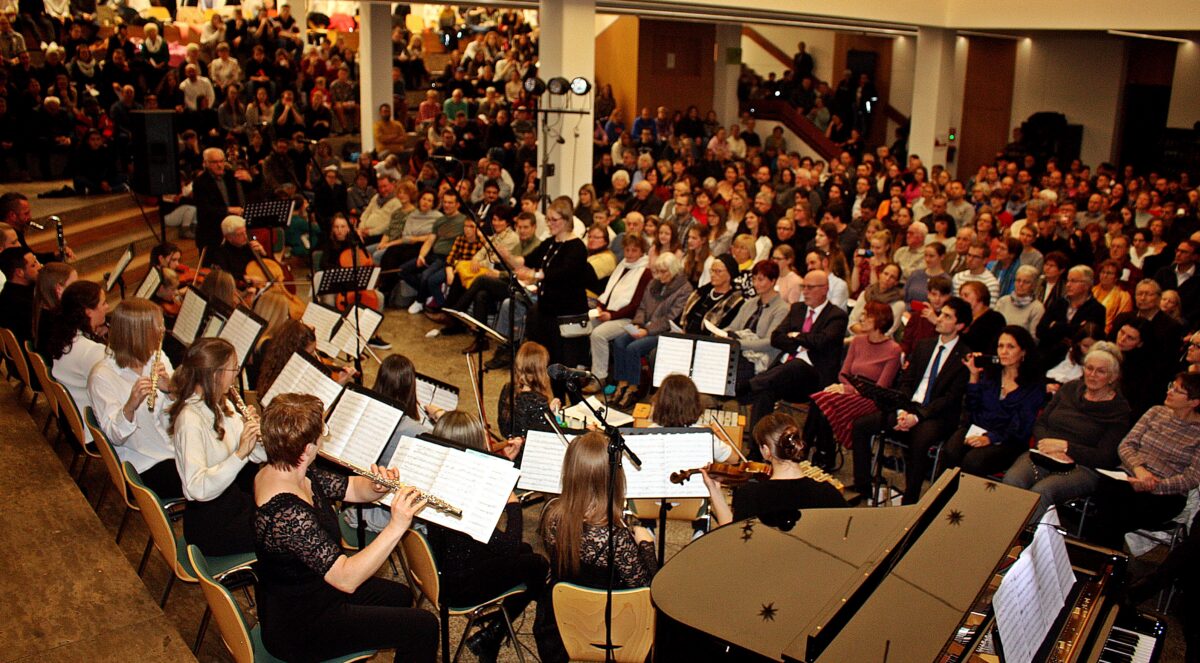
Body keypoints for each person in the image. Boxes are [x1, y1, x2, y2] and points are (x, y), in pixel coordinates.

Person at [252, 393, 438, 662]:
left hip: (313, 590)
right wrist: (396, 526)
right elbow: (346, 578)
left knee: (400, 594)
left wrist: (376, 486)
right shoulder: (286, 511)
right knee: (424, 626)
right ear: (306, 450)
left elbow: (350, 487)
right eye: (321, 434)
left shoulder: (289, 469)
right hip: (301, 627)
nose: (323, 438)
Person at [421, 411, 552, 661]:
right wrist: (513, 504)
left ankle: (497, 624)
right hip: (460, 586)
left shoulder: (442, 479)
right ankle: (492, 635)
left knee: (526, 552)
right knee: (538, 565)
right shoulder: (462, 501)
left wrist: (505, 460)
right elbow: (509, 544)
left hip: (447, 565)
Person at [538, 431, 657, 662]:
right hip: (612, 634)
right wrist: (646, 546)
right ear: (612, 476)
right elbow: (648, 591)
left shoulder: (550, 514)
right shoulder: (617, 539)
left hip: (560, 625)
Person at [850, 297, 973, 505]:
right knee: (861, 426)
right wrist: (901, 409)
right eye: (941, 313)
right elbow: (906, 381)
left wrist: (917, 417)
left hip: (936, 415)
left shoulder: (965, 356)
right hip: (908, 406)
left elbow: (950, 399)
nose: (940, 318)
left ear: (959, 325)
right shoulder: (925, 346)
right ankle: (862, 486)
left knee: (919, 440)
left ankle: (910, 500)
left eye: (947, 316)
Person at [1002, 343, 1132, 520]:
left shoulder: (1119, 410)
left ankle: (1021, 540)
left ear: (1112, 377)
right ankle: (1001, 531)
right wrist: (1048, 445)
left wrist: (1067, 448)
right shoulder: (1070, 388)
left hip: (1083, 467)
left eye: (1100, 371)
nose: (1092, 375)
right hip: (1044, 453)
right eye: (1089, 368)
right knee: (1013, 479)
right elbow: (1041, 423)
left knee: (1042, 491)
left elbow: (1106, 456)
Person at [169, 338, 265, 555]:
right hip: (210, 524)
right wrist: (239, 454)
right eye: (234, 368)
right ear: (216, 374)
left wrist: (257, 435)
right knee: (283, 535)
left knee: (286, 514)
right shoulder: (190, 420)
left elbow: (256, 456)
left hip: (230, 502)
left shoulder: (223, 405)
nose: (236, 374)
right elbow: (197, 487)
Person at [1087, 371, 1200, 547]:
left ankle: (1098, 560)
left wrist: (1155, 484)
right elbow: (1126, 445)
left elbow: (1192, 477)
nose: (1169, 391)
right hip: (1130, 474)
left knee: (1117, 514)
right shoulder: (1156, 412)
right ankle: (1106, 562)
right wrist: (1139, 470)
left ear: (1193, 402)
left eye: (1177, 391)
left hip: (1167, 492)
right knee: (1108, 494)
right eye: (1172, 386)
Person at [87, 299, 182, 500]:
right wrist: (130, 406)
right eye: (158, 325)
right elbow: (114, 435)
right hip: (144, 464)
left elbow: (176, 416)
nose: (163, 330)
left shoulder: (157, 357)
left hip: (171, 447)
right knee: (217, 484)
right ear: (139, 333)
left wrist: (171, 391)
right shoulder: (102, 376)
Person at [743, 269, 848, 431]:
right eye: (803, 287)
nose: (805, 292)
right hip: (784, 374)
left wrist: (796, 335)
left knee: (797, 364)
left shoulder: (836, 316)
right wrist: (801, 343)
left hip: (813, 378)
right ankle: (757, 450)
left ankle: (749, 386)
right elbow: (776, 337)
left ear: (825, 289)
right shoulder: (797, 309)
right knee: (765, 391)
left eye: (810, 287)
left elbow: (821, 341)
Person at [703, 412, 846, 528]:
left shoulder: (750, 495)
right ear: (798, 444)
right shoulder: (828, 493)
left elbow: (732, 536)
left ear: (765, 451)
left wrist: (714, 492)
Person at [808, 301, 902, 467]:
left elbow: (880, 387)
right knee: (818, 401)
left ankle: (819, 452)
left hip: (872, 399)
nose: (861, 318)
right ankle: (817, 451)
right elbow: (844, 374)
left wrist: (847, 389)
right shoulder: (858, 341)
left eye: (867, 315)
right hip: (853, 391)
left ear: (879, 320)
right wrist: (847, 388)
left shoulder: (893, 349)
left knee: (823, 406)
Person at [942, 326, 1045, 477]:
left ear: (1023, 351)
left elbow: (1021, 427)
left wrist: (990, 438)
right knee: (951, 450)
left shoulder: (1033, 386)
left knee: (973, 461)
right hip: (978, 427)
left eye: (1010, 347)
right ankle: (942, 498)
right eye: (1000, 346)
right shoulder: (991, 374)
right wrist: (974, 377)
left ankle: (965, 499)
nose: (1003, 351)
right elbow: (971, 407)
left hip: (1008, 440)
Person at [608, 253, 694, 408]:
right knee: (619, 342)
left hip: (664, 331)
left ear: (674, 271)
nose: (660, 276)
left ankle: (634, 387)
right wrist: (638, 324)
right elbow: (642, 307)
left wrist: (647, 330)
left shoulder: (684, 289)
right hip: (645, 327)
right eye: (658, 271)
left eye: (664, 272)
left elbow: (671, 318)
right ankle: (622, 382)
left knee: (634, 347)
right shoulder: (654, 284)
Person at [516, 199, 592, 367]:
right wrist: (508, 257)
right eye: (548, 219)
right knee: (549, 362)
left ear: (566, 220)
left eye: (553, 219)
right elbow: (528, 260)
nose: (549, 224)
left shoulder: (577, 247)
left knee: (565, 366)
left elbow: (563, 273)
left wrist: (536, 274)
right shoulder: (551, 243)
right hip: (548, 311)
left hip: (567, 315)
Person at [586, 233, 652, 391]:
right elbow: (609, 291)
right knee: (585, 326)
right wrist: (601, 307)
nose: (629, 254)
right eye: (627, 250)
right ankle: (585, 370)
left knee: (598, 334)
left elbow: (635, 304)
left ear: (642, 252)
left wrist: (611, 316)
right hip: (610, 314)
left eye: (634, 251)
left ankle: (599, 377)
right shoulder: (622, 265)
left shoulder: (645, 272)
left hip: (628, 318)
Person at [47, 281, 109, 442]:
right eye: (103, 303)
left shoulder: (65, 336)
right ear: (88, 312)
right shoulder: (92, 351)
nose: (107, 307)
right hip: (94, 432)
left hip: (73, 423)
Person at [192, 147, 256, 252]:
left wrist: (250, 180)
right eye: (214, 162)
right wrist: (228, 210)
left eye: (221, 161)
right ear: (206, 163)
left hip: (235, 231)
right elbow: (204, 209)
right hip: (213, 232)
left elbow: (249, 193)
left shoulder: (231, 176)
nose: (219, 165)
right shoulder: (200, 182)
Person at [498, 341, 560, 444]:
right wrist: (552, 414)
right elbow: (548, 437)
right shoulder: (538, 401)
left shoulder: (507, 389)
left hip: (511, 446)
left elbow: (503, 426)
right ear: (541, 369)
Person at [32, 261, 76, 358]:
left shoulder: (43, 308)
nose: (78, 289)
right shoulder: (57, 320)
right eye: (74, 285)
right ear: (59, 289)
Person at [0, 247, 41, 341]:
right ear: (19, 272)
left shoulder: (9, 292)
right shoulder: (18, 303)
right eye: (33, 265)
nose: (39, 267)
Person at [993, 265, 1045, 340]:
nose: (1020, 284)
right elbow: (994, 327)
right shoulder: (1003, 301)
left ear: (1033, 286)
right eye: (1018, 280)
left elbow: (1033, 339)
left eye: (1026, 282)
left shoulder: (1037, 308)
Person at [958, 280, 1007, 352]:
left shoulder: (994, 319)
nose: (962, 299)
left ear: (980, 295)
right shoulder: (963, 317)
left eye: (966, 295)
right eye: (961, 296)